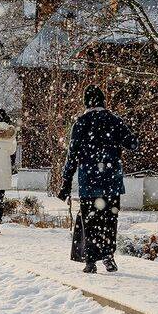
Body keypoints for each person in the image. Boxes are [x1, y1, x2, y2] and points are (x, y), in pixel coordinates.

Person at [58, 86, 138, 274]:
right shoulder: (114, 121)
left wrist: (66, 182)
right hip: (112, 181)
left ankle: (91, 260)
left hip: (89, 181)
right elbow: (132, 143)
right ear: (103, 101)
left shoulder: (81, 123)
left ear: (86, 102)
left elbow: (72, 155)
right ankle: (109, 256)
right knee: (110, 218)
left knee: (90, 219)